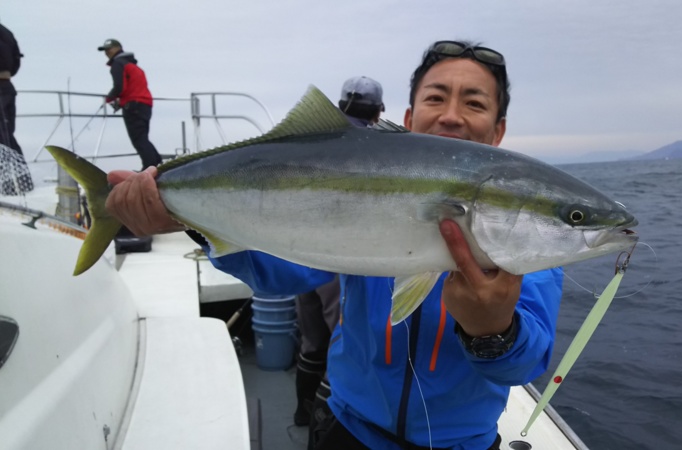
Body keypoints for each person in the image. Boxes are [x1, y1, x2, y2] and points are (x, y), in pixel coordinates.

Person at [104, 40, 563, 450]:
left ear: (498, 130)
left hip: (462, 444)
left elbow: (523, 366)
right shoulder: (363, 183)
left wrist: (492, 331)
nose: (450, 115)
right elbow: (279, 272)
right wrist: (188, 219)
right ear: (408, 118)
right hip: (348, 427)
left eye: (474, 102)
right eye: (435, 97)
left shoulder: (526, 245)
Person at [293, 75, 386, 427]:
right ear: (378, 112)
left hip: (301, 255)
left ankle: (301, 414)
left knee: (311, 341)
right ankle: (324, 422)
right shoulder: (381, 149)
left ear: (339, 104)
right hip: (339, 263)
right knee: (341, 343)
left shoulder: (315, 140)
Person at [98, 38, 162, 170]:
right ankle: (157, 163)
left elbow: (120, 87)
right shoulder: (134, 66)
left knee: (138, 139)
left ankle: (149, 168)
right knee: (143, 138)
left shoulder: (118, 64)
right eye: (105, 50)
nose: (107, 52)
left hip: (133, 105)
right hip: (145, 104)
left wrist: (109, 98)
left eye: (109, 49)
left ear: (118, 49)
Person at [0, 22, 22, 156]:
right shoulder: (6, 33)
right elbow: (15, 63)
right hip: (7, 87)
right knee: (6, 136)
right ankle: (17, 167)